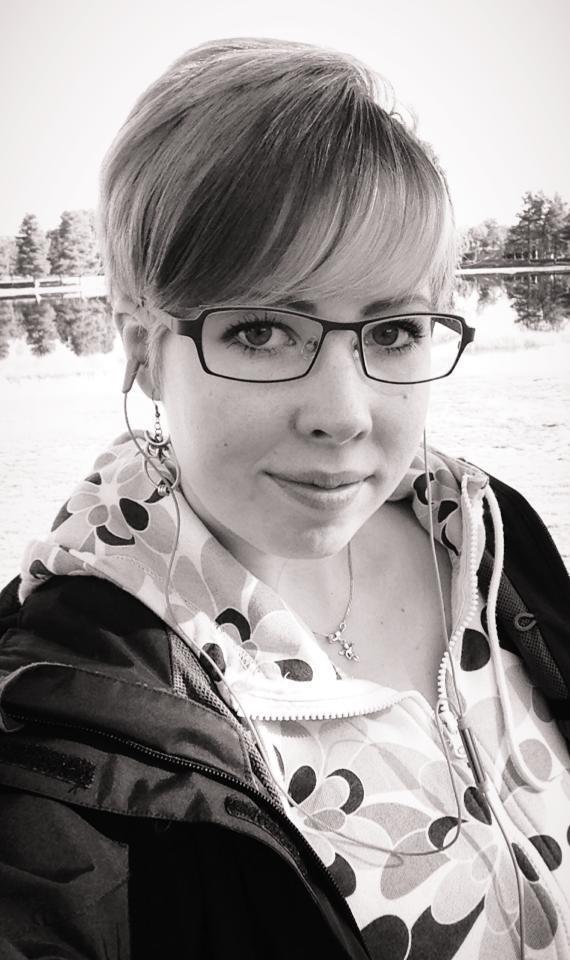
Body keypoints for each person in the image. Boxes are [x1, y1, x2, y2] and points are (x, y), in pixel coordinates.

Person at [0, 37, 569, 960]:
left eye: (393, 329)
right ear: (143, 345)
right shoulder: (66, 736)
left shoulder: (486, 534)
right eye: (263, 330)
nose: (344, 415)